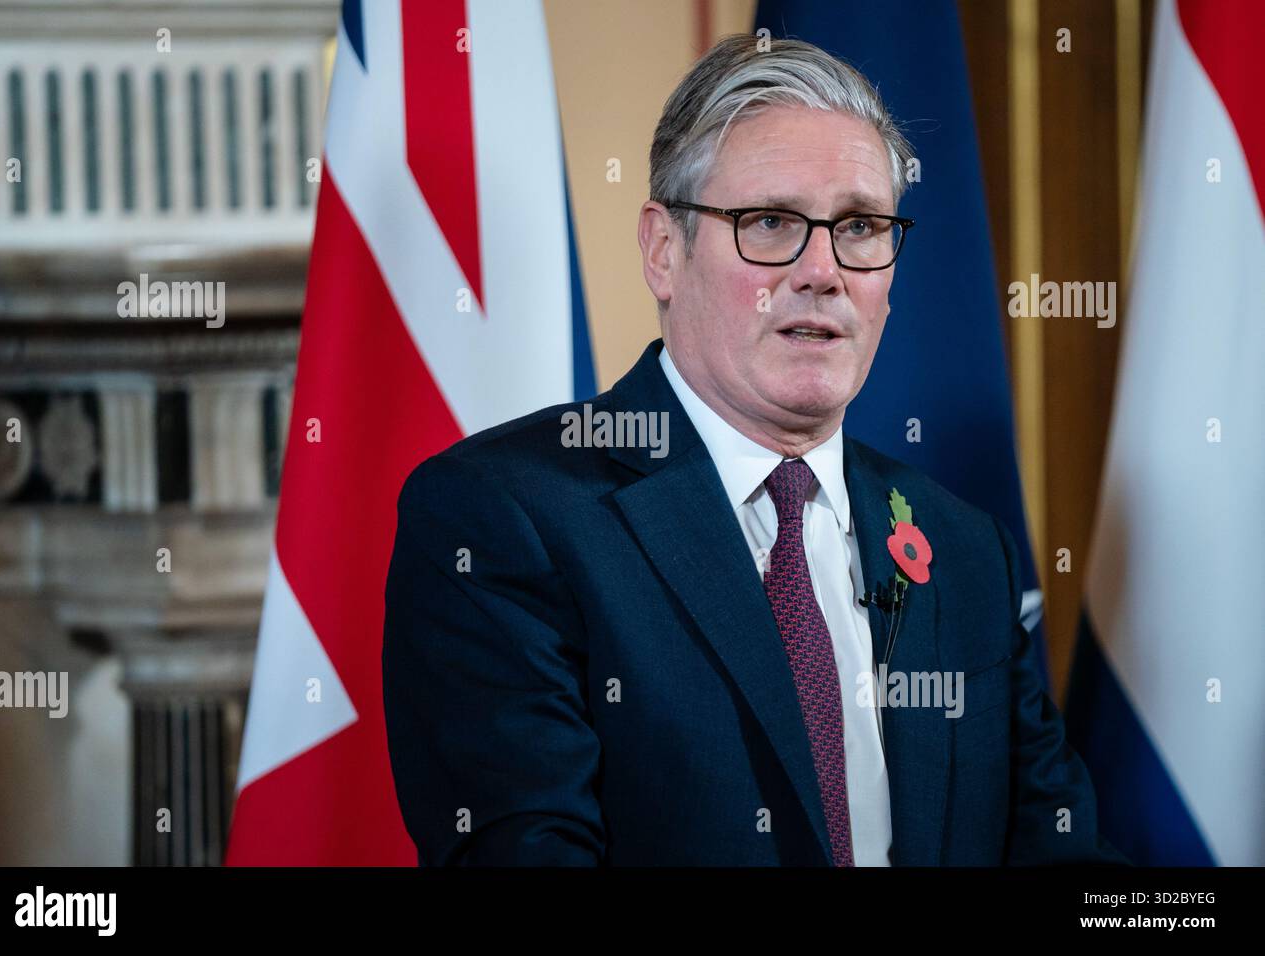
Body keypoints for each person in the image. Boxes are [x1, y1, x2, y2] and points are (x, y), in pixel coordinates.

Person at [382, 33, 1126, 866]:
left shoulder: (963, 548)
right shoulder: (504, 516)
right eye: (770, 222)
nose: (823, 271)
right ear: (665, 251)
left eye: (860, 226)